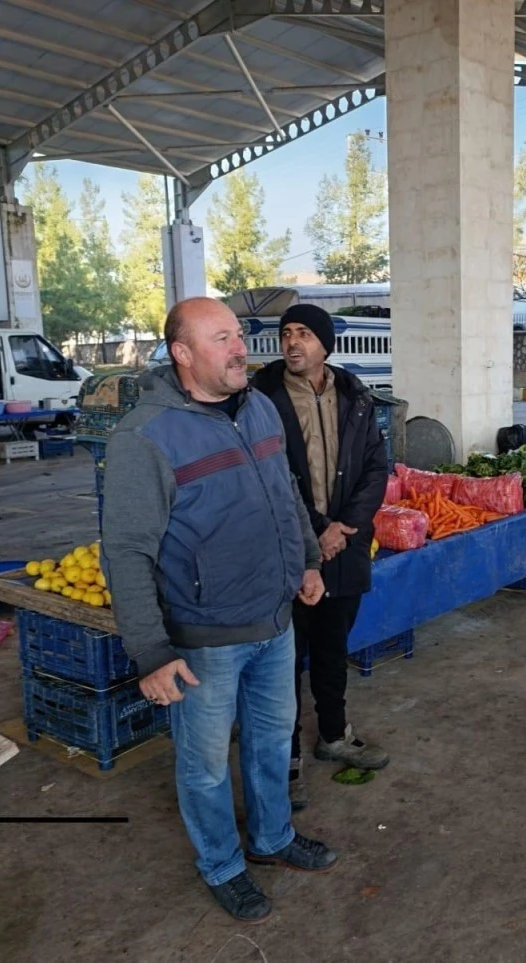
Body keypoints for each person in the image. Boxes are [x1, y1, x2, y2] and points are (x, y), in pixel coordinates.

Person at [101, 297, 339, 926]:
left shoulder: (259, 408)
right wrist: (150, 653)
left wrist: (308, 561)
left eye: (239, 335)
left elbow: (286, 492)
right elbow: (125, 551)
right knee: (205, 765)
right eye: (221, 339)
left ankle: (272, 838)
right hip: (206, 637)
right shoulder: (145, 438)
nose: (241, 349)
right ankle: (222, 865)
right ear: (182, 354)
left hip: (275, 620)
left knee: (269, 742)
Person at [251, 304, 391, 812]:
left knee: (334, 646)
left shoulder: (354, 394)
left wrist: (345, 527)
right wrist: (317, 532)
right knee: (282, 661)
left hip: (345, 547)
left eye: (303, 334)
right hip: (288, 548)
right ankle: (284, 760)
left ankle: (334, 734)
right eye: (286, 334)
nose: (291, 342)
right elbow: (266, 476)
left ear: (324, 344)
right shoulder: (259, 397)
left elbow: (377, 464)